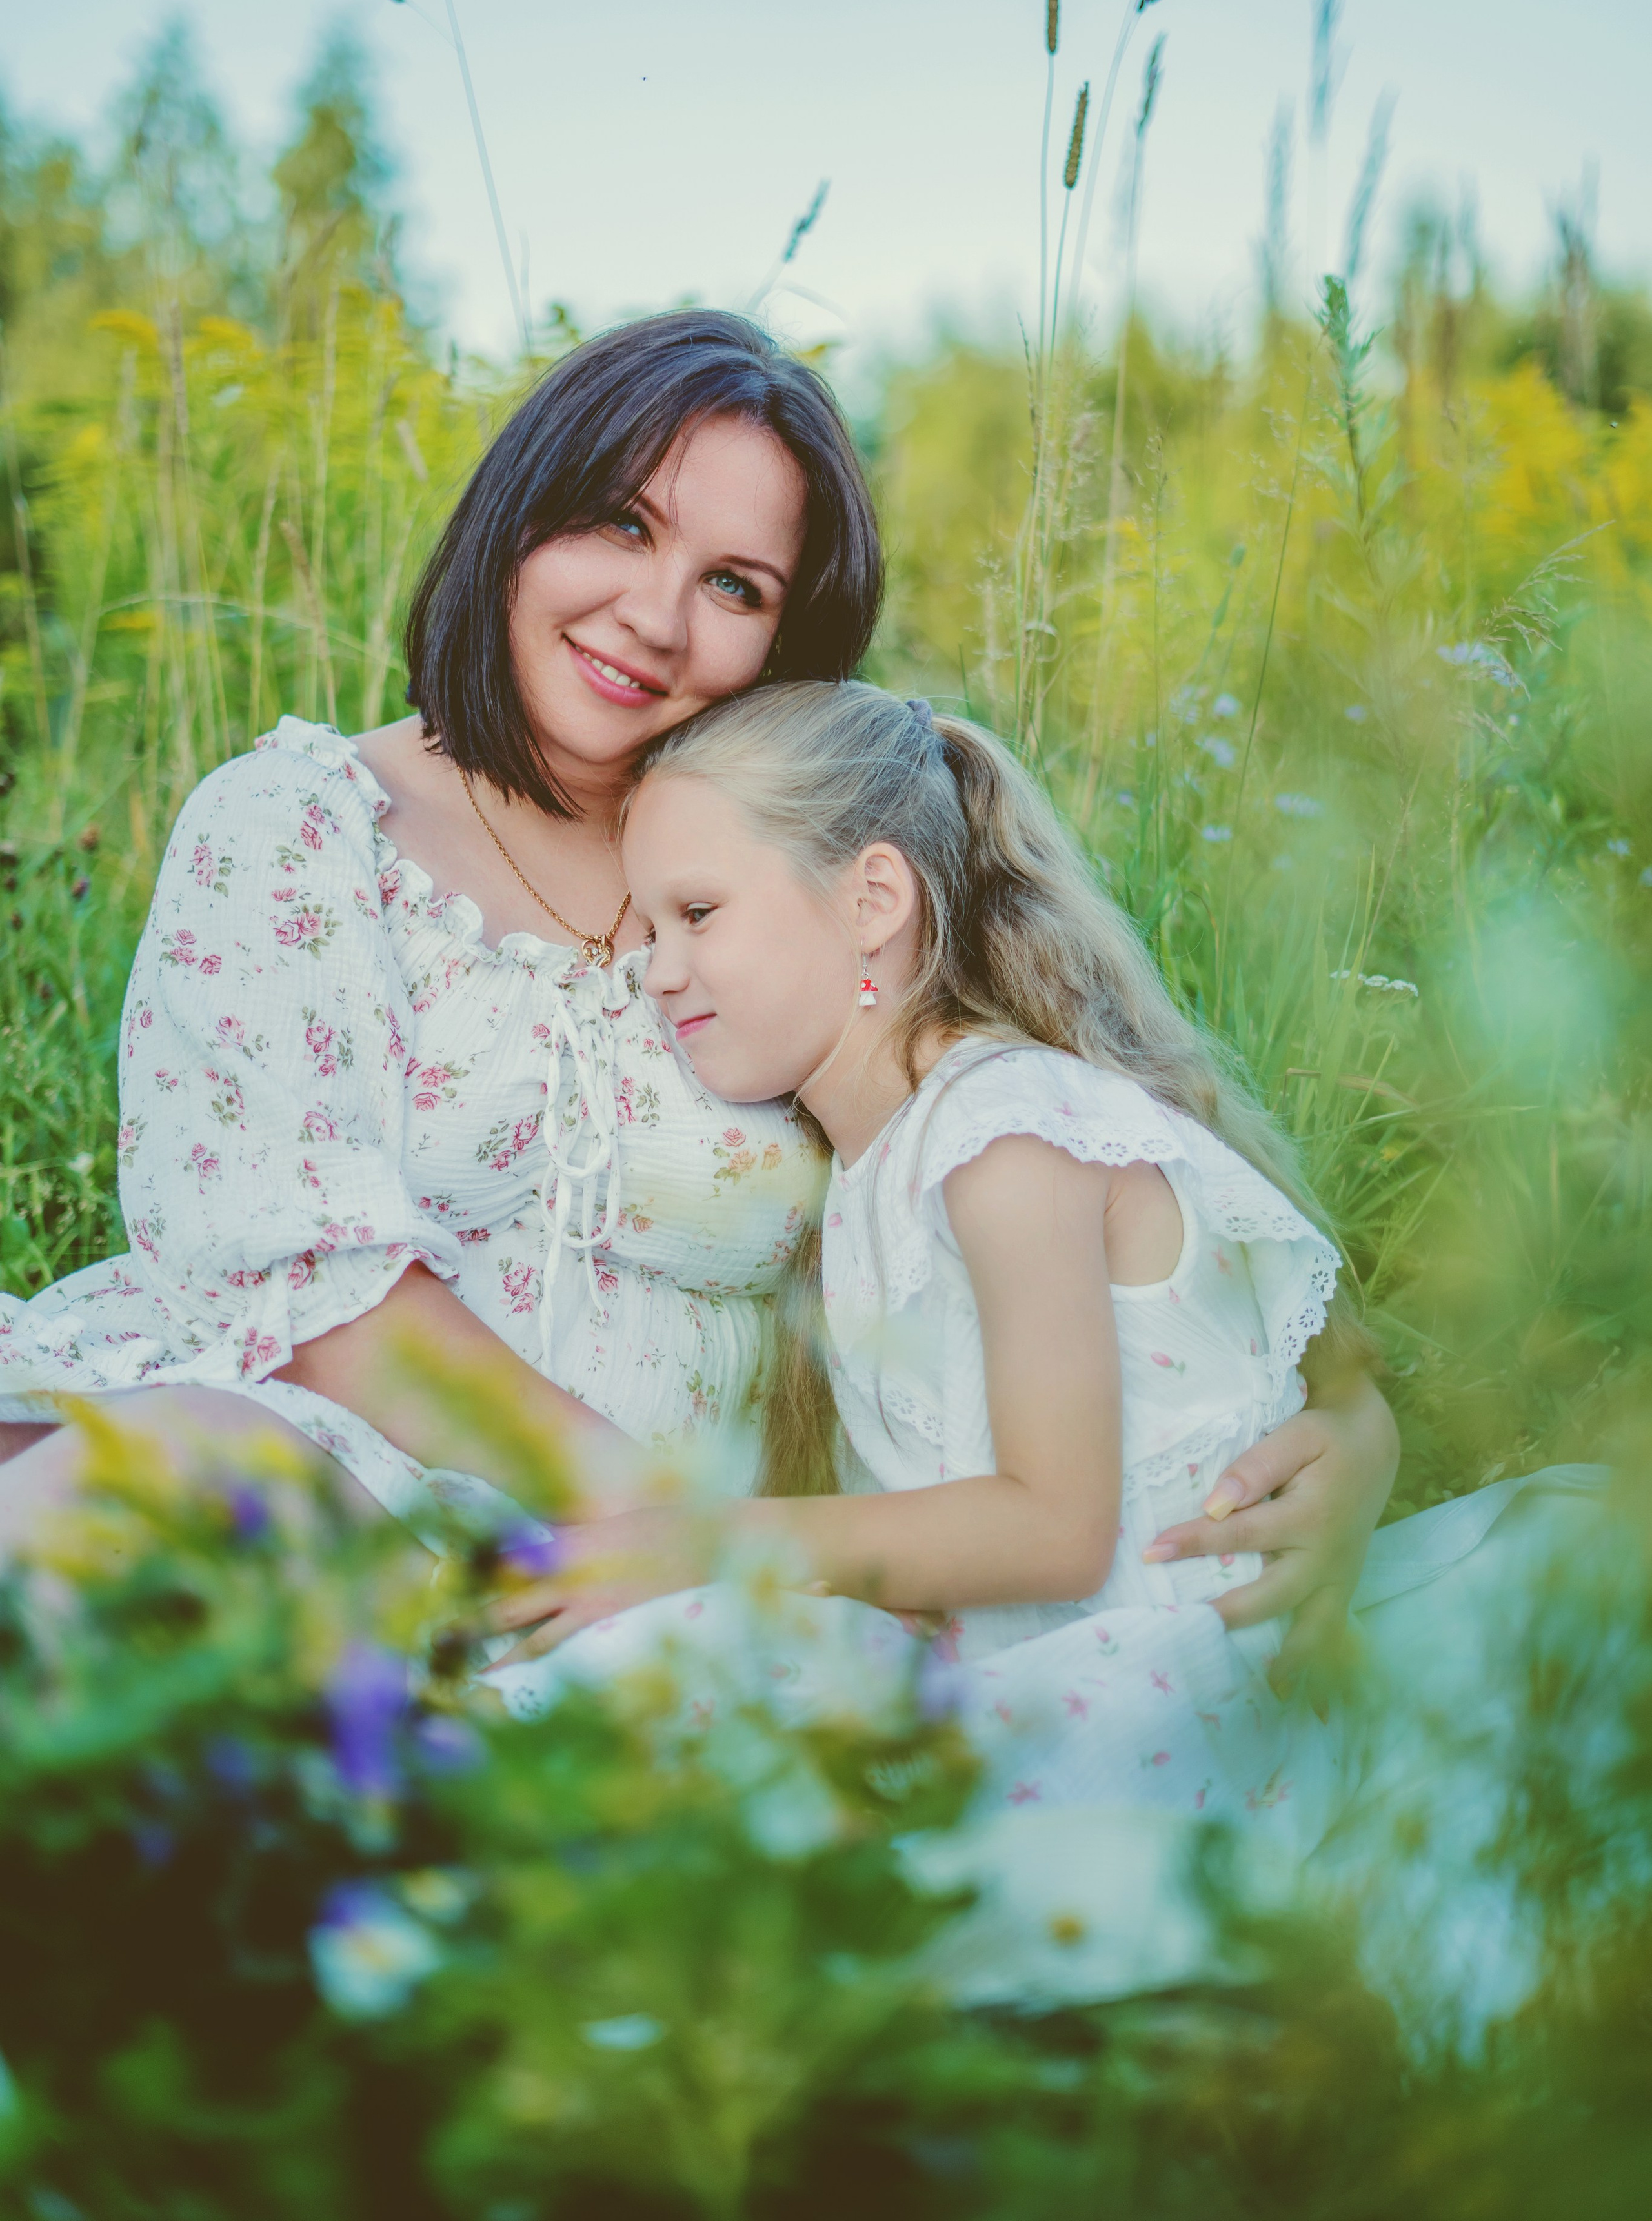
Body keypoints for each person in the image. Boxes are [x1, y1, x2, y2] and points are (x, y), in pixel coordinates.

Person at [0, 316, 1395, 1691]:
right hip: (335, 1463)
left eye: (734, 584)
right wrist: (664, 1537)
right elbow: (313, 1300)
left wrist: (1347, 1433)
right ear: (517, 516)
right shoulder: (299, 829)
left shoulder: (793, 861)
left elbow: (1103, 1148)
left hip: (681, 1583)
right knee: (157, 1509)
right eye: (617, 523)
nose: (654, 619)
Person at [478, 681, 1593, 1858]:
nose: (655, 970)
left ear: (871, 900)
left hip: (1162, 1704)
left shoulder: (1001, 1133)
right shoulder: (884, 1163)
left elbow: (1059, 1527)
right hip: (1049, 1677)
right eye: (646, 930)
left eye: (697, 913)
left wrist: (702, 1543)